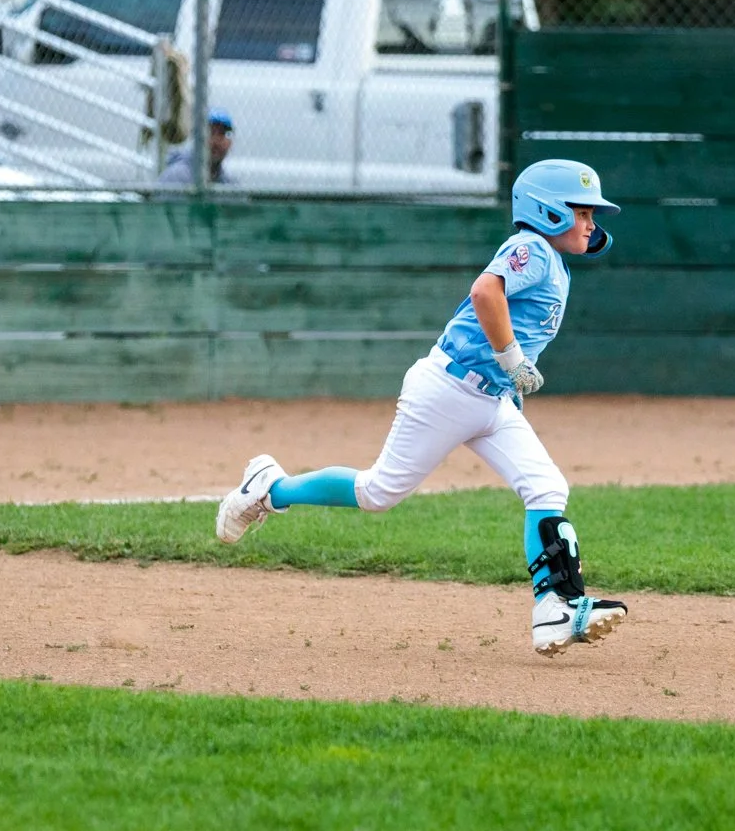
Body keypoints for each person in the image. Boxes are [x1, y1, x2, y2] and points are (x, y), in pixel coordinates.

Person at [215, 158, 630, 657]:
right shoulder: (532, 249)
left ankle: (557, 608)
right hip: (448, 391)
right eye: (582, 211)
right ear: (548, 212)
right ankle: (268, 488)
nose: (591, 223)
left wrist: (508, 378)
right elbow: (485, 292)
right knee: (376, 492)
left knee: (546, 486)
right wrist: (513, 359)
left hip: (489, 399)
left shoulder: (552, 261)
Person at [155, 107, 235, 188]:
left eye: (222, 134)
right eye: (210, 132)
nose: (216, 141)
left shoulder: (227, 183)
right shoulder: (177, 177)